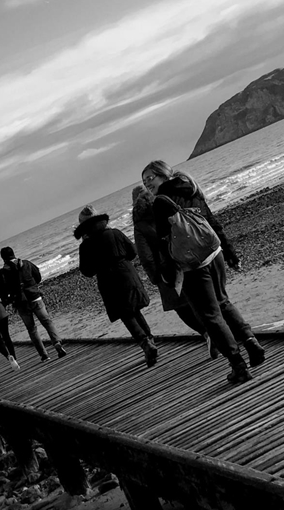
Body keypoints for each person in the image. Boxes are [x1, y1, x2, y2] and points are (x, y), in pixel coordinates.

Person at [142, 159, 265, 384]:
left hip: (193, 264)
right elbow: (211, 221)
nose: (147, 184)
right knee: (223, 302)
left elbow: (163, 242)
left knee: (210, 315)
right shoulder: (192, 187)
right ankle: (251, 343)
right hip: (214, 252)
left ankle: (239, 366)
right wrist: (229, 252)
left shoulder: (160, 202)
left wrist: (167, 274)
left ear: (163, 174)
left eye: (150, 178)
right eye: (144, 182)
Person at [74, 205, 158, 367]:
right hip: (126, 272)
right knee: (135, 309)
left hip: (107, 279)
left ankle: (146, 344)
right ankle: (150, 340)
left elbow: (86, 271)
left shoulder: (86, 245)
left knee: (126, 314)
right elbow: (132, 252)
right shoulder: (115, 233)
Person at [131, 186, 207, 337]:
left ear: (134, 203)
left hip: (165, 269)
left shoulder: (140, 224)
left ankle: (205, 333)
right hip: (185, 257)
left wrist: (154, 276)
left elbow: (145, 255)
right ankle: (215, 330)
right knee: (201, 298)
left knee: (180, 306)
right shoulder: (162, 205)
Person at [0, 246, 66, 361]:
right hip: (34, 297)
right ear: (14, 254)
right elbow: (38, 276)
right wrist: (32, 286)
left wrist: (7, 300)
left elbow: (2, 291)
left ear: (3, 258)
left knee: (32, 329)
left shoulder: (3, 272)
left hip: (20, 303)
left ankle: (43, 354)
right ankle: (57, 342)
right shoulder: (26, 264)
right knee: (47, 321)